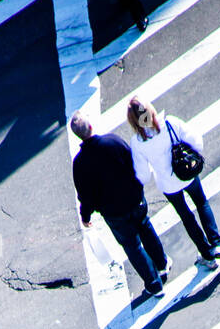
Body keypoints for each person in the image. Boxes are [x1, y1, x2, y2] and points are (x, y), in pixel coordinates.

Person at [70, 111, 168, 299]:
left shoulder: (80, 163)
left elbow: (86, 196)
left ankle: (155, 285)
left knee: (132, 246)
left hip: (114, 213)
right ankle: (162, 264)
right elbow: (134, 163)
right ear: (91, 127)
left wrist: (86, 217)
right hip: (134, 199)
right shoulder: (113, 141)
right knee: (146, 228)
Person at [127, 97, 220, 270]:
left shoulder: (137, 142)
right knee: (202, 203)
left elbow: (144, 176)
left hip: (169, 185)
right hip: (187, 173)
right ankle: (217, 243)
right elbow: (197, 142)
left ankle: (207, 255)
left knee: (186, 216)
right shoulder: (170, 123)